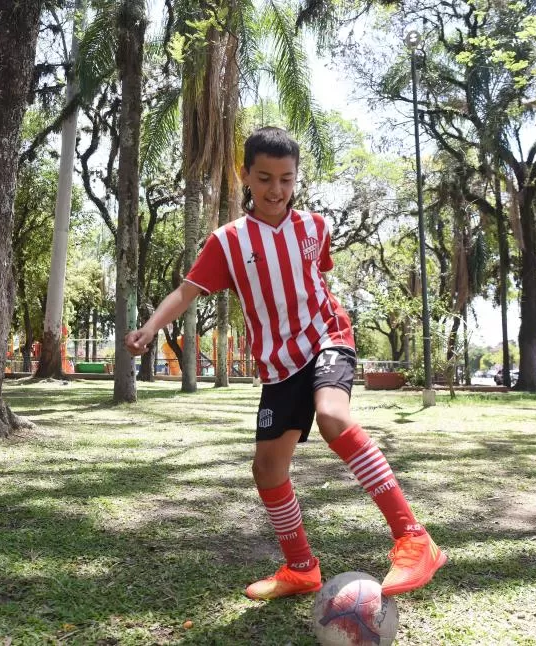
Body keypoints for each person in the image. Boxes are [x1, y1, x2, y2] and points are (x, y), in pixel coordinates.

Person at [125, 127, 447, 600]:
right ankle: (301, 568)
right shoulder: (227, 242)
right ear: (245, 177)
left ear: (296, 178)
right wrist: (151, 327)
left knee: (335, 417)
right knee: (268, 469)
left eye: (286, 179)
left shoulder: (316, 227)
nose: (276, 189)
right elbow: (186, 292)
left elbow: (317, 277)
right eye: (265, 178)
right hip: (278, 361)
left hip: (326, 337)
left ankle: (414, 539)